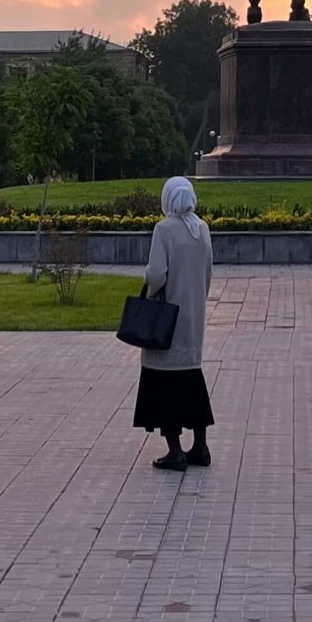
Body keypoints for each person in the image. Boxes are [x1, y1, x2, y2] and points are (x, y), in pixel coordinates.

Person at [134, 175, 215, 471]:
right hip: (194, 316)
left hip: (166, 319)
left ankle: (175, 451)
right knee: (192, 381)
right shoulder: (202, 228)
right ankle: (200, 446)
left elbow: (156, 275)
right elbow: (207, 273)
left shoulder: (164, 229)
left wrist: (150, 290)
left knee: (164, 383)